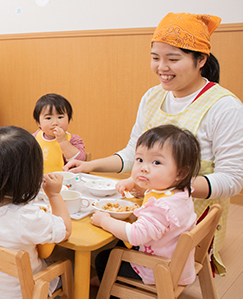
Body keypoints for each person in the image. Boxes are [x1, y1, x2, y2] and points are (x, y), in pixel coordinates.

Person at [64, 12, 243, 275]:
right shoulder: (152, 97)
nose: (162, 67)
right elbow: (131, 153)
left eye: (173, 59)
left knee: (92, 249)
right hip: (146, 209)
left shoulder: (224, 107)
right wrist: (90, 165)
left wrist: (167, 187)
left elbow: (233, 179)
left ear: (201, 60)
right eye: (155, 58)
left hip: (182, 228)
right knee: (83, 237)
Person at [0, 126, 72, 299]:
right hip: (26, 293)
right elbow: (66, 231)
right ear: (31, 174)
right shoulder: (27, 217)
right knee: (69, 265)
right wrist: (54, 194)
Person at [92, 125, 200, 286]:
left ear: (180, 173)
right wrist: (133, 181)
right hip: (175, 258)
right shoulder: (180, 190)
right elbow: (156, 186)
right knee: (119, 244)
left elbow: (135, 235)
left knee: (103, 259)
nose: (143, 168)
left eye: (156, 162)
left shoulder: (161, 208)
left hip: (158, 268)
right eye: (140, 159)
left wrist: (104, 221)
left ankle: (114, 289)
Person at [33, 93, 86, 173]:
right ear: (38, 123)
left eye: (60, 117)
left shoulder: (73, 140)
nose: (55, 123)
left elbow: (80, 161)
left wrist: (63, 141)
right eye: (48, 118)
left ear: (69, 119)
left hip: (63, 181)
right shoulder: (34, 138)